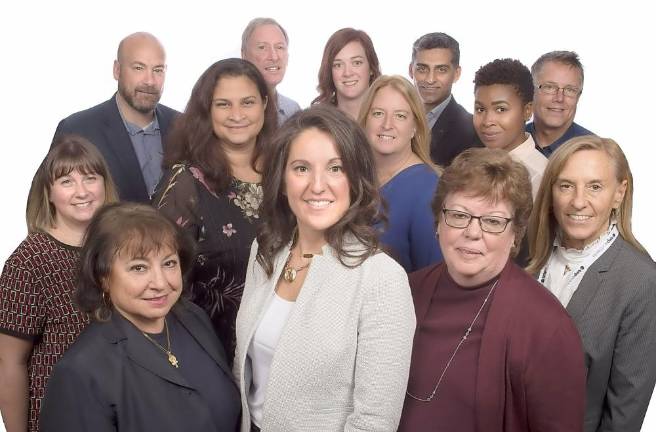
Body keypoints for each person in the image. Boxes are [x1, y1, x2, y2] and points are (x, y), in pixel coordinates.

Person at [234, 105, 415, 432]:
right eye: (301, 168)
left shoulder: (382, 279)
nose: (317, 186)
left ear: (356, 178)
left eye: (335, 168)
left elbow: (373, 423)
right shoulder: (265, 252)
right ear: (282, 178)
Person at [399, 148, 586, 432]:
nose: (473, 233)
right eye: (459, 215)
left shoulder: (548, 328)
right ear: (438, 222)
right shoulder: (405, 292)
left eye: (493, 221)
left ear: (515, 235)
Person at [39, 203, 241, 432]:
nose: (161, 283)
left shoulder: (194, 318)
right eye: (139, 268)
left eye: (169, 263)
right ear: (103, 277)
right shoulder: (79, 372)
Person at [527, 136, 656, 432]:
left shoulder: (640, 280)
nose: (578, 201)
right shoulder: (531, 260)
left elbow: (624, 413)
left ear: (619, 194)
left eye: (595, 187)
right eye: (566, 185)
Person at [153, 58, 276, 364]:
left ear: (264, 104)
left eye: (247, 102)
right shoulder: (184, 184)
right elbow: (157, 281)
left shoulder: (288, 174)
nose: (237, 115)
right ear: (206, 110)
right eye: (223, 104)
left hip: (287, 357)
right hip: (211, 360)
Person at [0, 135, 118, 432]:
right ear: (49, 193)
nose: (82, 192)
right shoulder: (29, 260)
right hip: (60, 414)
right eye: (66, 182)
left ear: (105, 185)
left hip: (122, 408)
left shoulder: (122, 248)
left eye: (90, 178)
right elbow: (8, 362)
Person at [52, 32, 179, 202]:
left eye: (158, 70)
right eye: (138, 68)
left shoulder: (185, 127)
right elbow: (45, 202)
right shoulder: (78, 130)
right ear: (117, 70)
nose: (150, 81)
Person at [358, 74, 442, 272]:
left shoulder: (429, 190)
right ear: (365, 120)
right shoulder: (352, 178)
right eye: (378, 113)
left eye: (400, 116)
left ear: (414, 127)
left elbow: (432, 276)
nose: (387, 124)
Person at [473, 58, 548, 200]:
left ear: (527, 111)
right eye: (480, 109)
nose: (487, 121)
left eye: (501, 109)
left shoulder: (541, 177)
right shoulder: (471, 163)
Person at [409, 32, 481, 166]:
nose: (430, 79)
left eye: (441, 70)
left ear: (456, 74)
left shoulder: (471, 132)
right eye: (422, 69)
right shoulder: (394, 117)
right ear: (410, 70)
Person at [527, 51, 593, 158]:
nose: (559, 98)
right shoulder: (508, 144)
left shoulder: (596, 153)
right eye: (549, 87)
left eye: (570, 90)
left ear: (578, 96)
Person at [242, 17, 301, 125]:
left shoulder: (293, 111)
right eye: (262, 47)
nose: (274, 57)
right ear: (244, 55)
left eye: (279, 47)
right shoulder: (227, 108)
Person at [312, 28, 381, 120]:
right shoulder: (316, 121)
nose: (347, 73)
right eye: (338, 65)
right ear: (329, 72)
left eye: (357, 63)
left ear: (371, 68)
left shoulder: (388, 118)